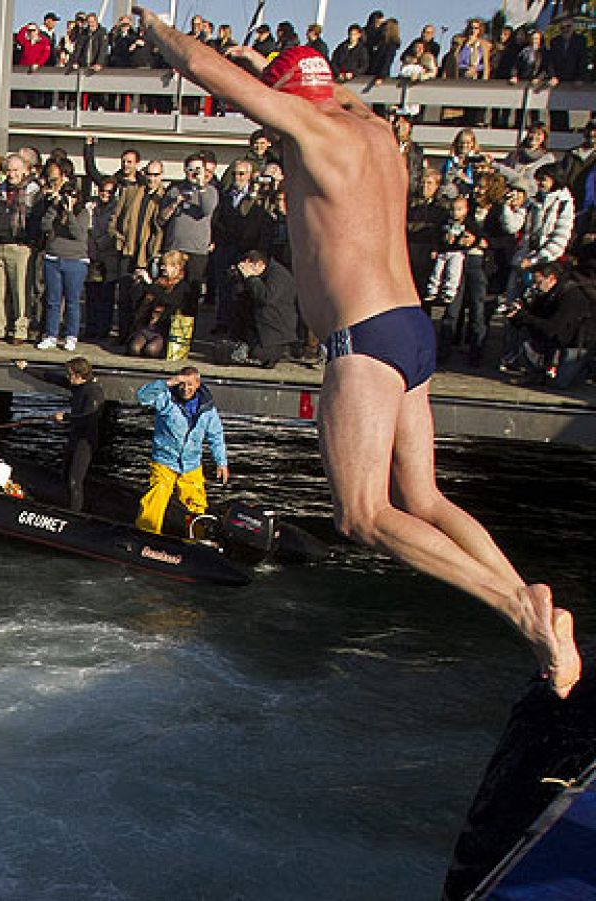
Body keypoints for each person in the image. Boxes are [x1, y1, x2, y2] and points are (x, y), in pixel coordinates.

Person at [132, 14, 580, 696]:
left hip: (364, 341)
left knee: (363, 514)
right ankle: (534, 602)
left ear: (287, 100)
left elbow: (199, 66)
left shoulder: (314, 130)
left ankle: (518, 610)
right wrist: (270, 68)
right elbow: (333, 93)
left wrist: (153, 26)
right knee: (422, 497)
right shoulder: (376, 132)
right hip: (411, 329)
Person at [133, 369, 228, 536]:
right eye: (182, 384)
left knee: (196, 503)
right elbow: (142, 396)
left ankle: (196, 539)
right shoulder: (166, 398)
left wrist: (221, 462)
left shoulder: (208, 410)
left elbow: (216, 435)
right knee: (156, 497)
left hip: (191, 465)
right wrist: (169, 382)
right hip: (164, 461)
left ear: (197, 384)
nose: (185, 388)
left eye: (189, 384)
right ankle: (147, 534)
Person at [14, 356, 105, 512]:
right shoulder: (77, 385)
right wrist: (27, 369)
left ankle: (74, 515)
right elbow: (51, 378)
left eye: (70, 374)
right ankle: (65, 505)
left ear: (78, 375)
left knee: (74, 480)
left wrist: (66, 417)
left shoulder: (93, 393)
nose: (67, 377)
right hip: (74, 437)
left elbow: (89, 418)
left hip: (85, 441)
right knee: (65, 474)